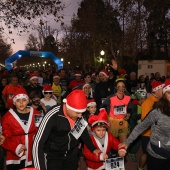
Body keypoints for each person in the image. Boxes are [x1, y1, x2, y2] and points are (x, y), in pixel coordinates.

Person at [32, 89, 100, 170]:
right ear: (68, 107)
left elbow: (82, 131)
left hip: (72, 155)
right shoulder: (53, 114)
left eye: (82, 112)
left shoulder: (79, 115)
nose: (80, 116)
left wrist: (93, 148)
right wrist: (39, 168)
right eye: (77, 112)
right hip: (54, 156)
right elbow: (37, 143)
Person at [122, 79, 170, 170]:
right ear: (164, 95)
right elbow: (141, 126)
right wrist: (127, 142)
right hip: (158, 153)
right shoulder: (157, 112)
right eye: (169, 93)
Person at [1, 89, 40, 170]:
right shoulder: (7, 117)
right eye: (18, 100)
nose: (21, 103)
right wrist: (16, 147)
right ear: (14, 103)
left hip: (31, 149)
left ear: (28, 101)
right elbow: (4, 137)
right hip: (14, 152)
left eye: (24, 100)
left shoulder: (37, 113)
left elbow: (39, 130)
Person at [137, 81, 164, 170]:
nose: (163, 91)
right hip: (148, 135)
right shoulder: (147, 103)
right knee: (147, 154)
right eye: (161, 89)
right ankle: (140, 168)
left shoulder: (163, 101)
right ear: (156, 91)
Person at [102, 78, 131, 143]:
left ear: (125, 88)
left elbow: (129, 109)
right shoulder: (110, 98)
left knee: (123, 143)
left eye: (123, 86)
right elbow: (102, 108)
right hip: (112, 122)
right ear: (116, 88)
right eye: (119, 87)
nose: (121, 88)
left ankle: (122, 152)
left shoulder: (128, 98)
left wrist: (128, 114)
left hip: (123, 122)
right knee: (112, 143)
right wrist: (105, 120)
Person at [127, 88, 147, 162]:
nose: (145, 100)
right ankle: (131, 152)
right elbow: (133, 116)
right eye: (144, 99)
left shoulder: (139, 104)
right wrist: (143, 115)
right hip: (134, 125)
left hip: (138, 125)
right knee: (137, 140)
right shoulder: (135, 105)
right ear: (141, 99)